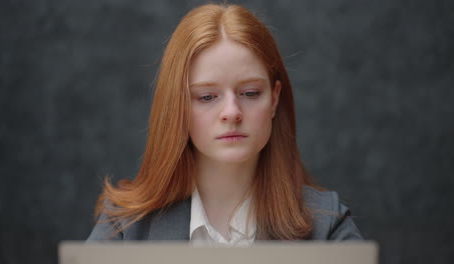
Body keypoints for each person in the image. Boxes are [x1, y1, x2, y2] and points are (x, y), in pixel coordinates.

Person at [87, 3, 362, 245]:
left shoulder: (328, 225)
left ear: (275, 100)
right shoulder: (123, 227)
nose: (231, 112)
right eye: (207, 96)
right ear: (177, 106)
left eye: (250, 93)